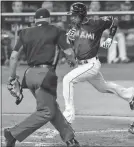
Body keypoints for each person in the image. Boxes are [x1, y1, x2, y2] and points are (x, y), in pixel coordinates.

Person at [4, 8, 80, 147]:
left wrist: (12, 77)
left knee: (51, 107)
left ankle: (70, 139)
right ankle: (12, 133)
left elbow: (14, 56)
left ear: (35, 20)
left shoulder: (25, 32)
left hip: (29, 75)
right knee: (46, 111)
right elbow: (69, 52)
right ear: (49, 19)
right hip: (45, 76)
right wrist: (74, 63)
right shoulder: (56, 30)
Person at [62, 2, 134, 124]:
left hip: (91, 64)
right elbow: (74, 45)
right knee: (103, 87)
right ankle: (128, 94)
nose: (72, 17)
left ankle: (69, 115)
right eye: (72, 15)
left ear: (81, 14)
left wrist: (110, 38)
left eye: (74, 15)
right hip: (82, 65)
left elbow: (114, 20)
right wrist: (71, 54)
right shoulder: (74, 27)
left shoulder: (95, 23)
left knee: (67, 80)